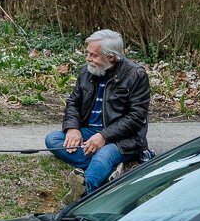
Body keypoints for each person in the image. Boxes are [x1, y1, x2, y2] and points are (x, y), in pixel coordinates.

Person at [44, 29, 151, 195]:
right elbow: (73, 102)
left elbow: (136, 118)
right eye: (88, 53)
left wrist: (104, 136)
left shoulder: (136, 75)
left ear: (111, 57)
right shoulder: (86, 71)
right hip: (90, 132)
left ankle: (83, 195)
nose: (88, 59)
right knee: (53, 140)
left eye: (94, 55)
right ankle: (108, 169)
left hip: (122, 138)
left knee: (103, 156)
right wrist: (72, 128)